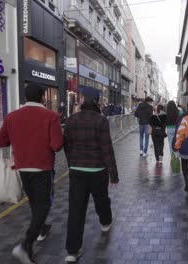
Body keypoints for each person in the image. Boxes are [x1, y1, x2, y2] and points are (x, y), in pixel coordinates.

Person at [0, 83, 64, 264]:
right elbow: (57, 145)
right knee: (44, 205)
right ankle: (26, 245)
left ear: (25, 97)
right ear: (43, 97)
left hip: (22, 168)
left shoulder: (12, 116)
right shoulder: (51, 116)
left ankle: (41, 229)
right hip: (42, 169)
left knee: (35, 204)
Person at [63, 87, 118, 263]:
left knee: (76, 209)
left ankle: (72, 251)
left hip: (78, 170)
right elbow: (107, 148)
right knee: (101, 199)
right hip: (97, 170)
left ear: (83, 99)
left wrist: (72, 163)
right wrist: (113, 174)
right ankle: (105, 222)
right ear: (96, 101)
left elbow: (67, 146)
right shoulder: (101, 121)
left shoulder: (71, 120)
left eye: (80, 97)